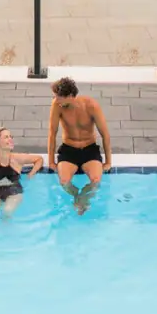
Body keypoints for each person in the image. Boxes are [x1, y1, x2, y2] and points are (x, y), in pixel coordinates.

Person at [47, 76, 112, 214]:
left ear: (70, 96)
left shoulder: (91, 106)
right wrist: (51, 161)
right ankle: (78, 196)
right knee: (64, 181)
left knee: (96, 181)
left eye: (59, 97)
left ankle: (82, 199)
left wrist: (108, 162)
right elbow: (52, 133)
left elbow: (105, 134)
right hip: (68, 150)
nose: (56, 100)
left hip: (89, 150)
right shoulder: (57, 106)